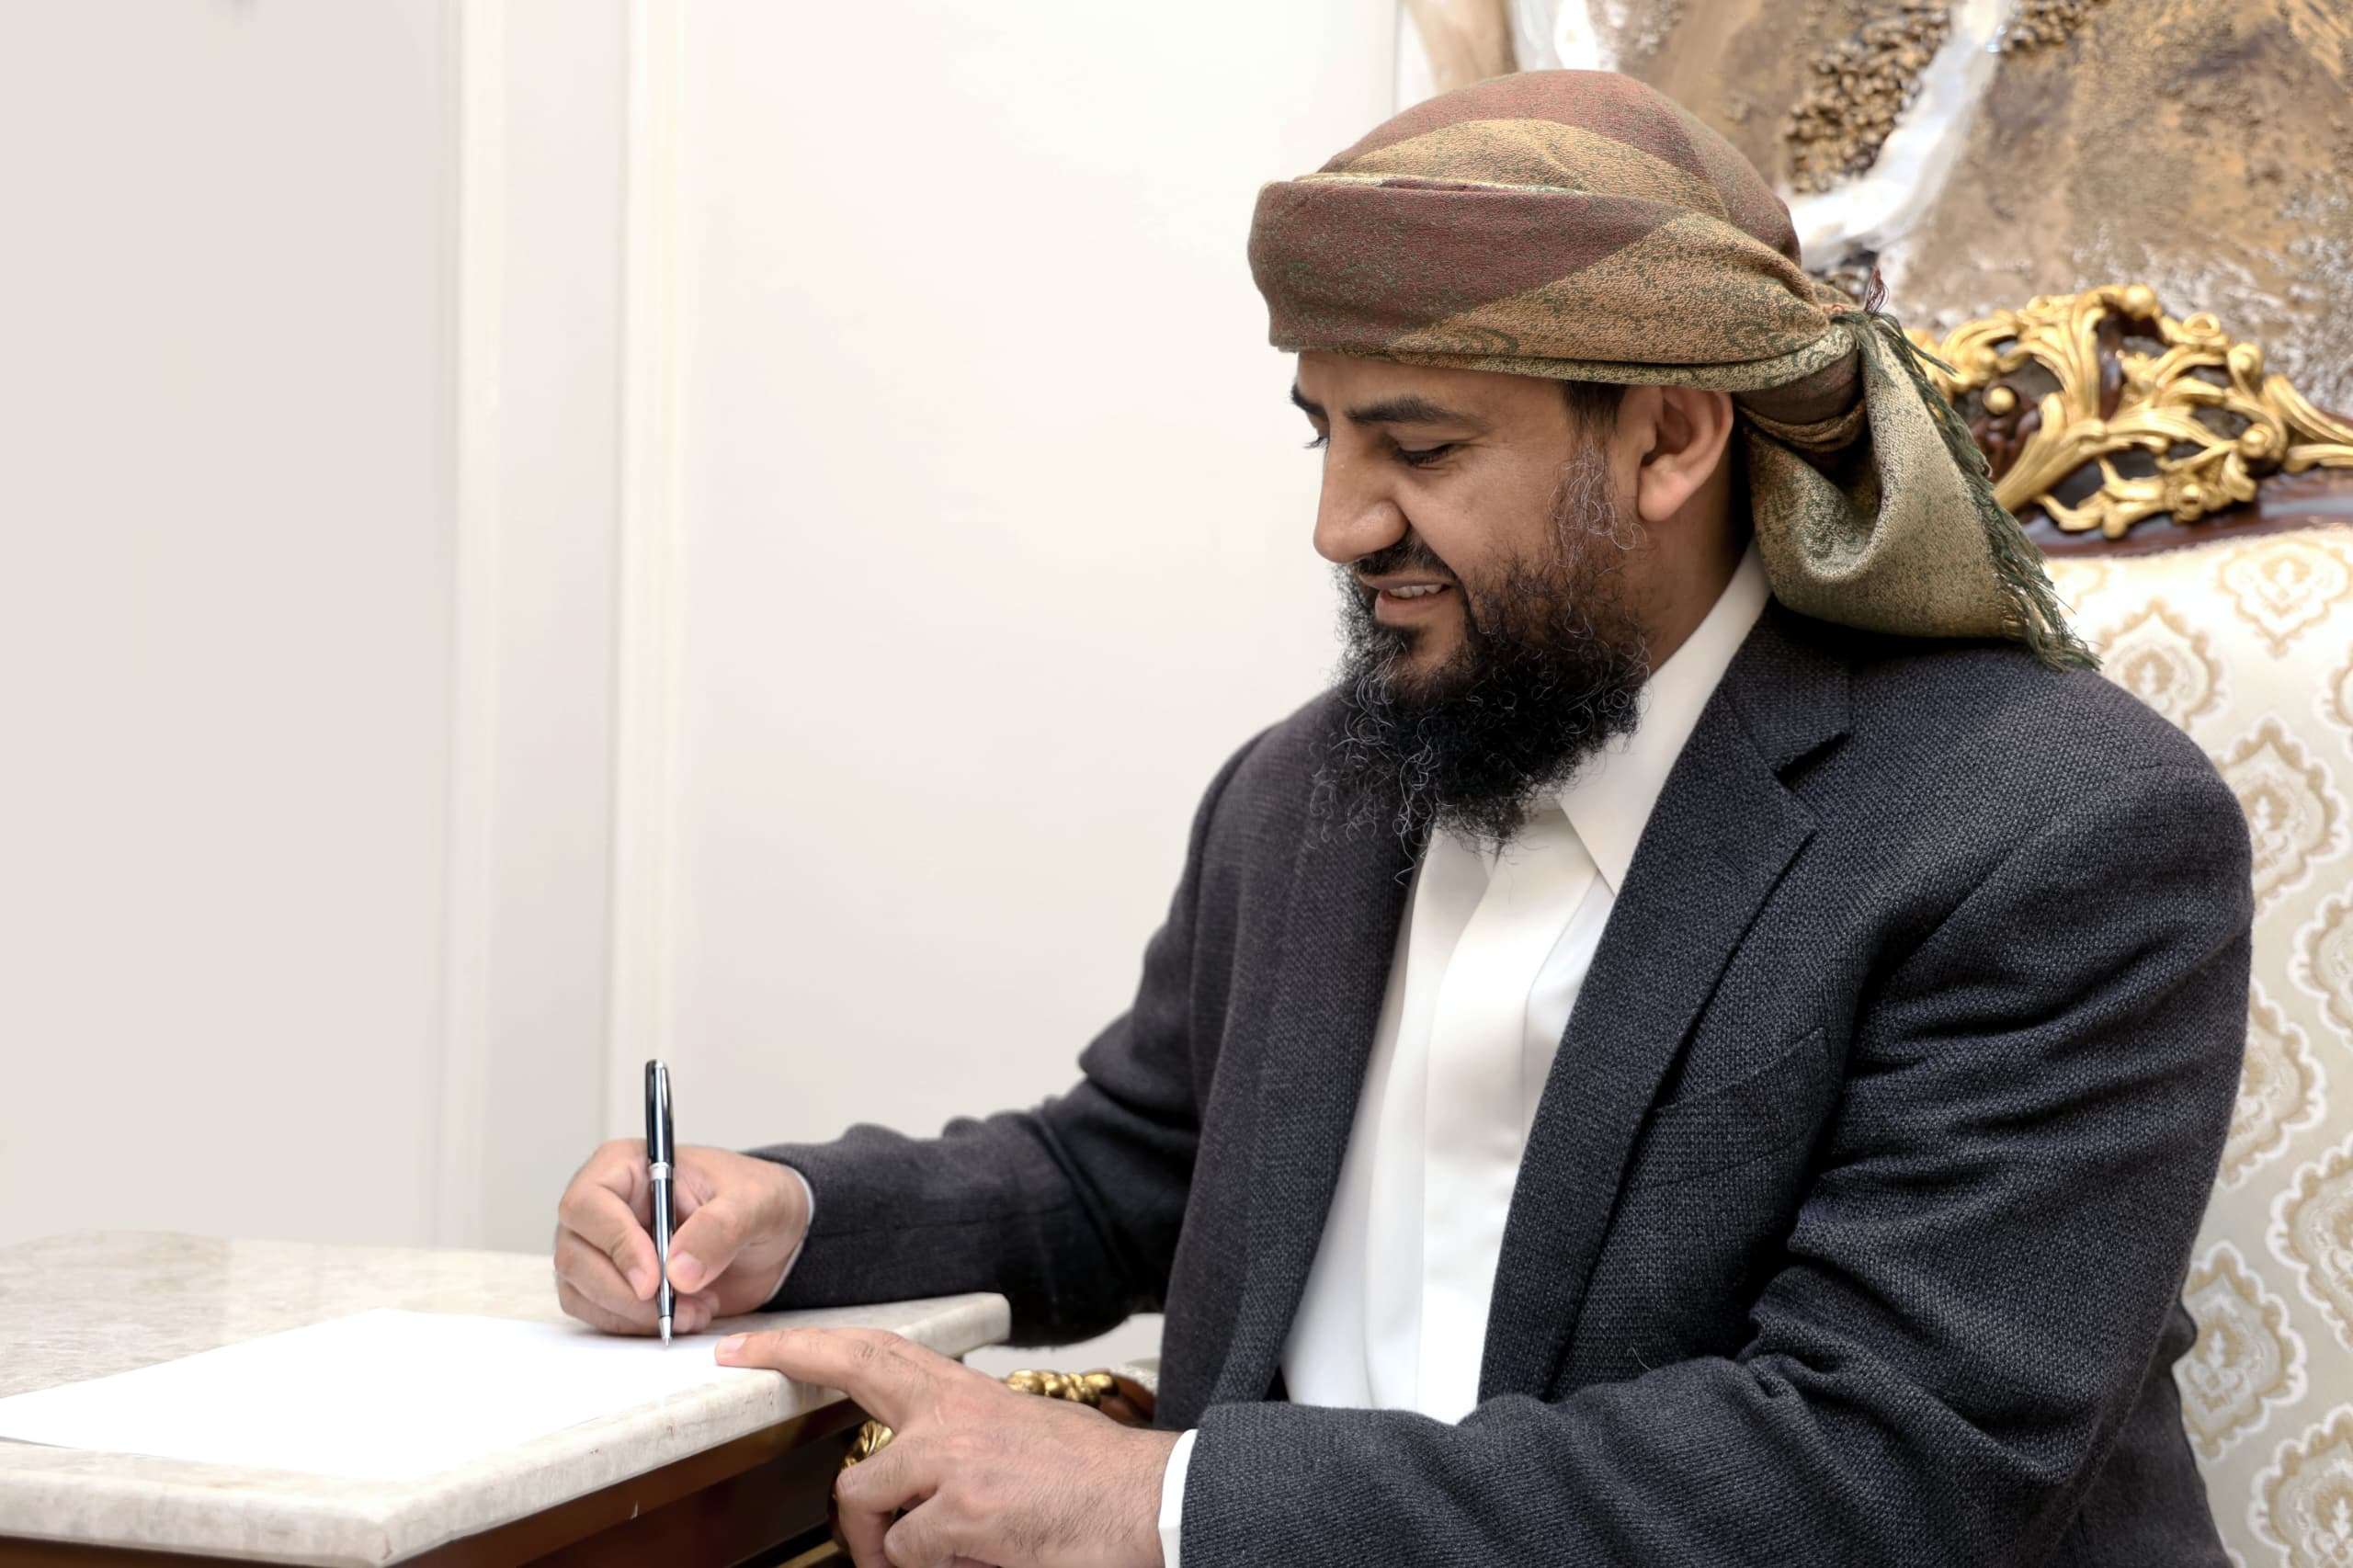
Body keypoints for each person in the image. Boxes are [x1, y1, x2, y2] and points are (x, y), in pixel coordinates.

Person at [553, 69, 2251, 1567]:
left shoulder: (2054, 833)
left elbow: (1874, 1480)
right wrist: (783, 1215)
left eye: (1418, 447)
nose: (1339, 523)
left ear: (1669, 438)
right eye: (1324, 433)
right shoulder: (1311, 786)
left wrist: (1161, 1506)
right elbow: (1132, 1167)